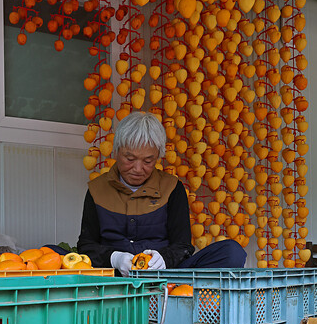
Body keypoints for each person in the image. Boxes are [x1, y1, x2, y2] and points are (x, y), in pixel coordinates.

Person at [77, 112, 247, 275]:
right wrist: (114, 258)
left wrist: (164, 259)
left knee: (231, 252)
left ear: (158, 156)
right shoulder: (96, 189)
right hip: (112, 275)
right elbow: (86, 246)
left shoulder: (172, 188)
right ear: (116, 151)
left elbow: (183, 245)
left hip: (167, 276)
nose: (137, 168)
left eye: (148, 161)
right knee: (52, 253)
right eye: (129, 159)